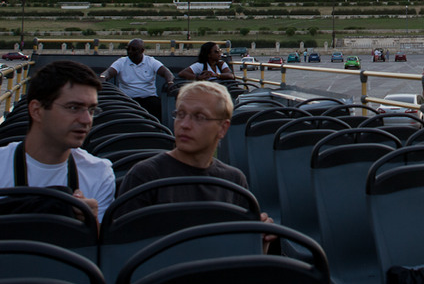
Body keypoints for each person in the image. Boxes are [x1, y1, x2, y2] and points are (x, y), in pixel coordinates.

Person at [117, 80, 274, 248]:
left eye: (199, 117)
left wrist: (261, 242)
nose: (184, 125)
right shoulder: (145, 177)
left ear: (223, 128)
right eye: (180, 114)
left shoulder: (233, 181)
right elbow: (123, 253)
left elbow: (240, 255)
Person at [0, 60, 115, 223]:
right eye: (74, 108)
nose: (86, 120)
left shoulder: (99, 173)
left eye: (91, 110)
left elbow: (96, 247)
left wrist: (92, 222)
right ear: (36, 110)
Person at [100, 38, 174, 120]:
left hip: (149, 99)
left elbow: (166, 72)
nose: (130, 52)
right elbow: (109, 72)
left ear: (142, 50)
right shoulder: (121, 62)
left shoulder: (151, 61)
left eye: (134, 49)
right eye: (128, 49)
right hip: (127, 99)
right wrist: (103, 78)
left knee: (157, 107)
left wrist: (170, 82)